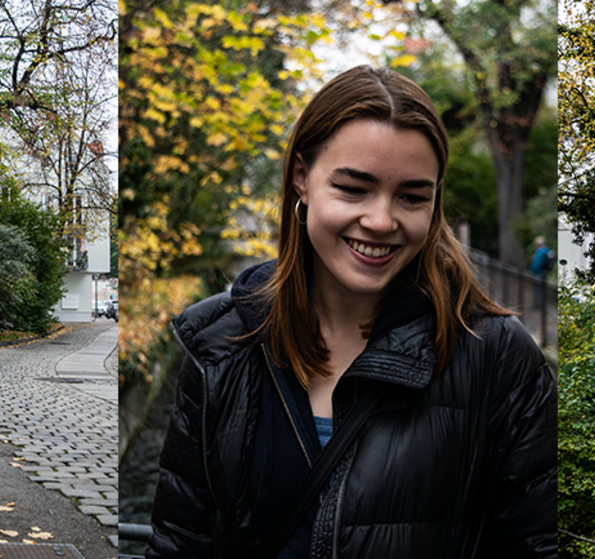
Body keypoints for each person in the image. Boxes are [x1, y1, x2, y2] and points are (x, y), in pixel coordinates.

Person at [148, 66, 557, 558]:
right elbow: (180, 544)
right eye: (353, 188)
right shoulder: (220, 341)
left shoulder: (496, 355)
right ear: (302, 178)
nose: (381, 220)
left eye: (411, 196)